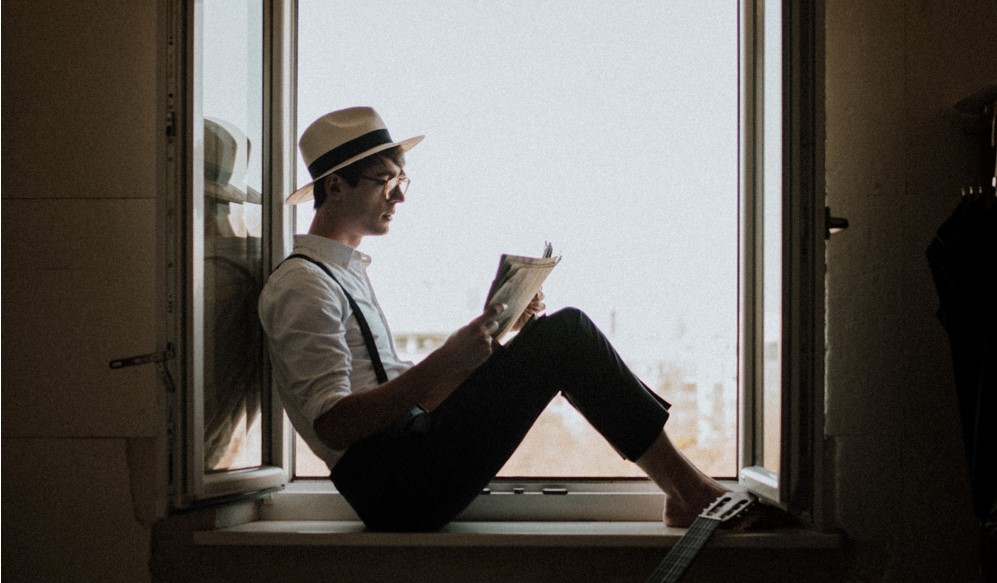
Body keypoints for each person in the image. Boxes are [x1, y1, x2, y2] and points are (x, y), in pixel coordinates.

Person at [259, 106, 727, 532]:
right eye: (385, 180)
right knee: (568, 334)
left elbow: (419, 399)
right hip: (393, 485)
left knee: (553, 336)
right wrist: (447, 357)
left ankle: (688, 490)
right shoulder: (303, 285)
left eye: (403, 180)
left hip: (406, 463)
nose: (399, 196)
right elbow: (335, 426)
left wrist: (497, 344)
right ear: (336, 186)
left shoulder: (345, 274)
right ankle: (690, 492)